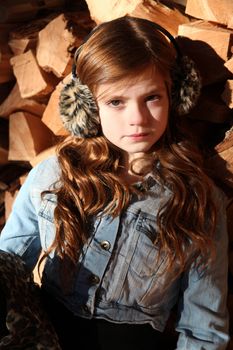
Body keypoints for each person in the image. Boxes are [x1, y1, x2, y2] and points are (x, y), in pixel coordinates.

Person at [0, 15, 229, 350]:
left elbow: (204, 329)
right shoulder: (53, 177)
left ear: (176, 96)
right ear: (88, 107)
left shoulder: (197, 201)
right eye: (116, 102)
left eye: (152, 97)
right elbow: (8, 264)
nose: (137, 118)